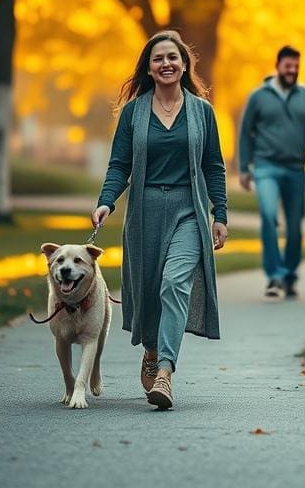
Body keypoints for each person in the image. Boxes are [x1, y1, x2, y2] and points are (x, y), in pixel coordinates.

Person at [91, 30, 228, 410]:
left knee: (174, 283)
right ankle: (151, 350)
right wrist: (106, 202)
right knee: (151, 288)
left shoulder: (202, 111)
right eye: (158, 59)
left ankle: (165, 372)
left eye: (172, 57)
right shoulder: (135, 113)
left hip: (188, 209)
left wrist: (220, 214)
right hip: (145, 211)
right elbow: (119, 165)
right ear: (148, 69)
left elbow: (213, 166)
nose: (166, 64)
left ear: (184, 64)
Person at [237, 45, 305, 299]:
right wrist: (244, 167)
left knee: (295, 226)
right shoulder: (259, 96)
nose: (293, 70)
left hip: (296, 168)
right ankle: (274, 276)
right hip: (266, 166)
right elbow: (245, 133)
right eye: (288, 66)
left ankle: (289, 275)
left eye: (297, 66)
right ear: (278, 65)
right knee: (268, 215)